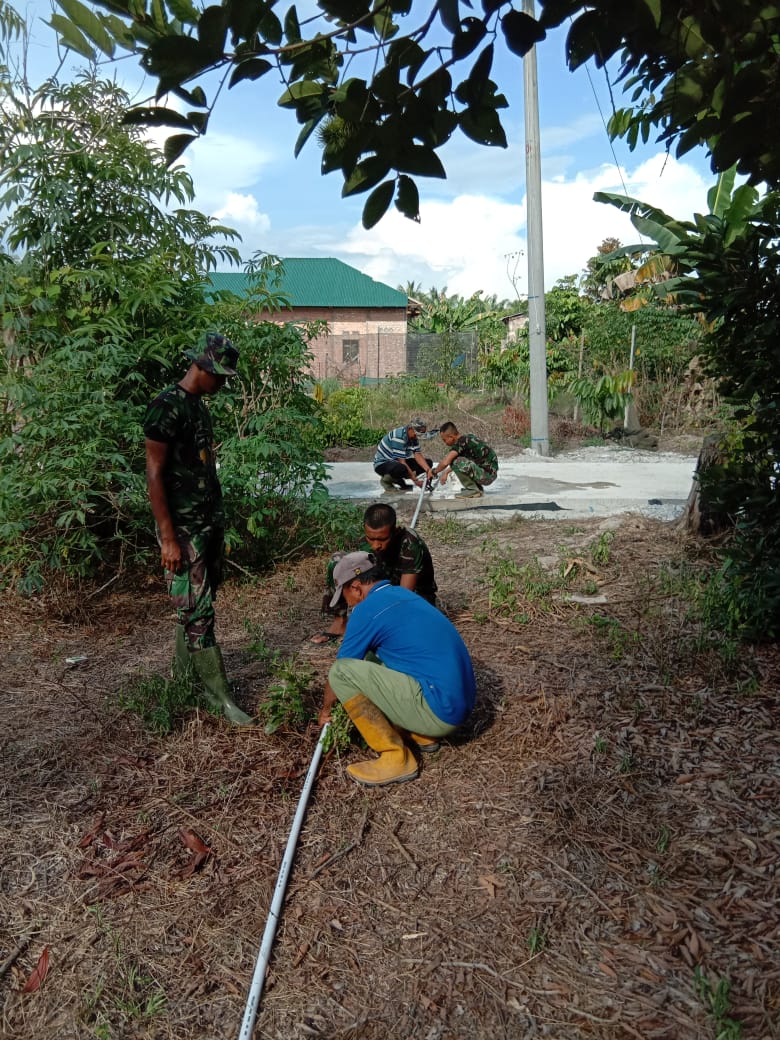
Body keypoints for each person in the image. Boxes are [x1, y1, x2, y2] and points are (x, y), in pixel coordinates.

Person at [143, 332, 253, 725]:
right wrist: (168, 538)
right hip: (183, 529)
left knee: (197, 604)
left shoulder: (199, 407)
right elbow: (154, 475)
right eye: (220, 375)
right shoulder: (166, 408)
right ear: (202, 367)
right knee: (198, 609)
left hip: (208, 523)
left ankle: (184, 677)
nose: (223, 383)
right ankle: (218, 697)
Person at [317, 551, 475, 787]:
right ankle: (419, 732)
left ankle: (394, 755)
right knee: (371, 656)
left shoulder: (366, 610)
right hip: (457, 705)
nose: (346, 603)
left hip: (439, 712)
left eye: (345, 595)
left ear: (357, 588)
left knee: (342, 672)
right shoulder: (402, 594)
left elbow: (342, 668)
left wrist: (325, 710)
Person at [310, 502, 437, 644]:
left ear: (394, 531)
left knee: (406, 625)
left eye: (382, 539)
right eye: (371, 538)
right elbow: (362, 574)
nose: (376, 545)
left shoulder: (409, 543)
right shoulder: (365, 541)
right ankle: (340, 622)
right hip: (383, 585)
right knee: (338, 561)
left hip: (414, 596)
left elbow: (403, 596)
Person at [432, 421, 499, 499]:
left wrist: (434, 471)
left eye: (444, 440)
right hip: (489, 474)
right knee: (459, 461)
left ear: (451, 437)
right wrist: (446, 472)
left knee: (454, 461)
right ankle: (478, 489)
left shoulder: (461, 443)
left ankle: (472, 490)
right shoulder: (467, 439)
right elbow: (464, 464)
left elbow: (446, 462)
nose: (445, 443)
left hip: (487, 476)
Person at [373, 417, 434, 492]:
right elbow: (402, 461)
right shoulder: (398, 437)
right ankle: (387, 480)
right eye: (417, 434)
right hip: (382, 464)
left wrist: (428, 471)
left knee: (428, 463)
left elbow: (418, 455)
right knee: (401, 468)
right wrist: (416, 481)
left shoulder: (413, 437)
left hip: (397, 462)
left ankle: (401, 481)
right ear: (410, 429)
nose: (417, 437)